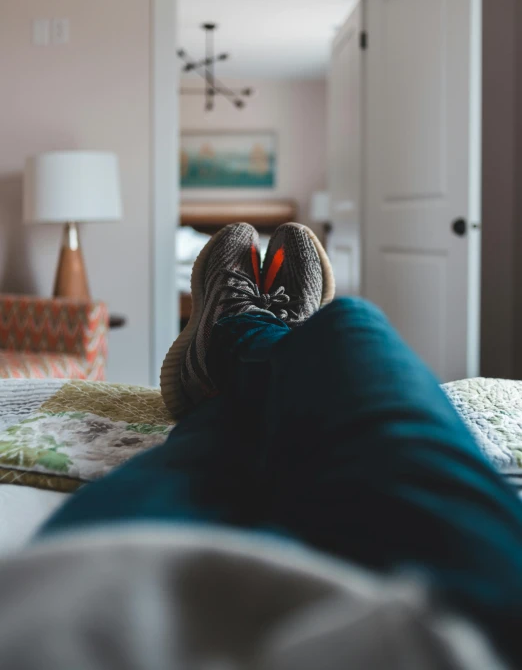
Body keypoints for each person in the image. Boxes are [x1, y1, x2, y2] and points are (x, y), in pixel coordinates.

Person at [3, 222, 522, 669]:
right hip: (479, 614)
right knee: (347, 324)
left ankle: (235, 340)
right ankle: (270, 339)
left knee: (235, 417)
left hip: (97, 612)